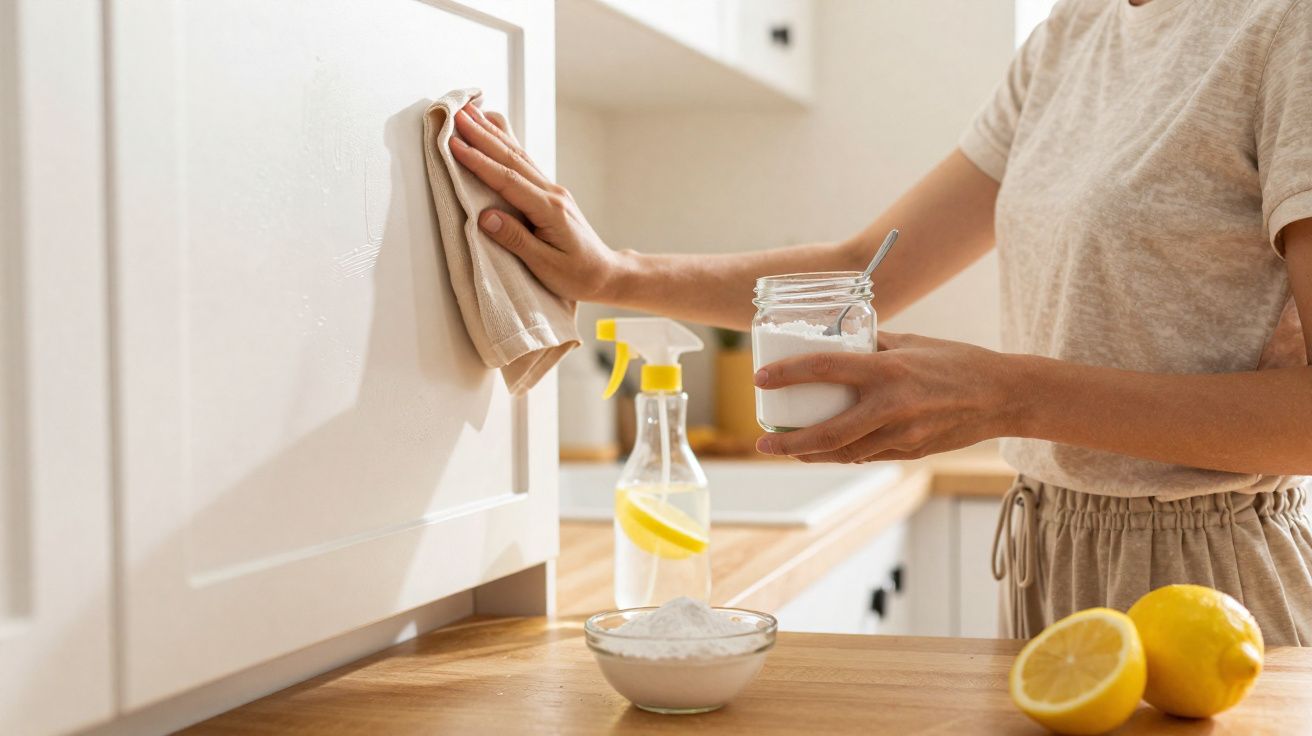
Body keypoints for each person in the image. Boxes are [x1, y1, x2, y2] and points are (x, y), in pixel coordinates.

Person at [448, 0, 1312, 645]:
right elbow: (869, 266)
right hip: (1050, 552)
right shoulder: (1068, 37)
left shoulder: (1284, 30)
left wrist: (1010, 394)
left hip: (1217, 579)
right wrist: (616, 273)